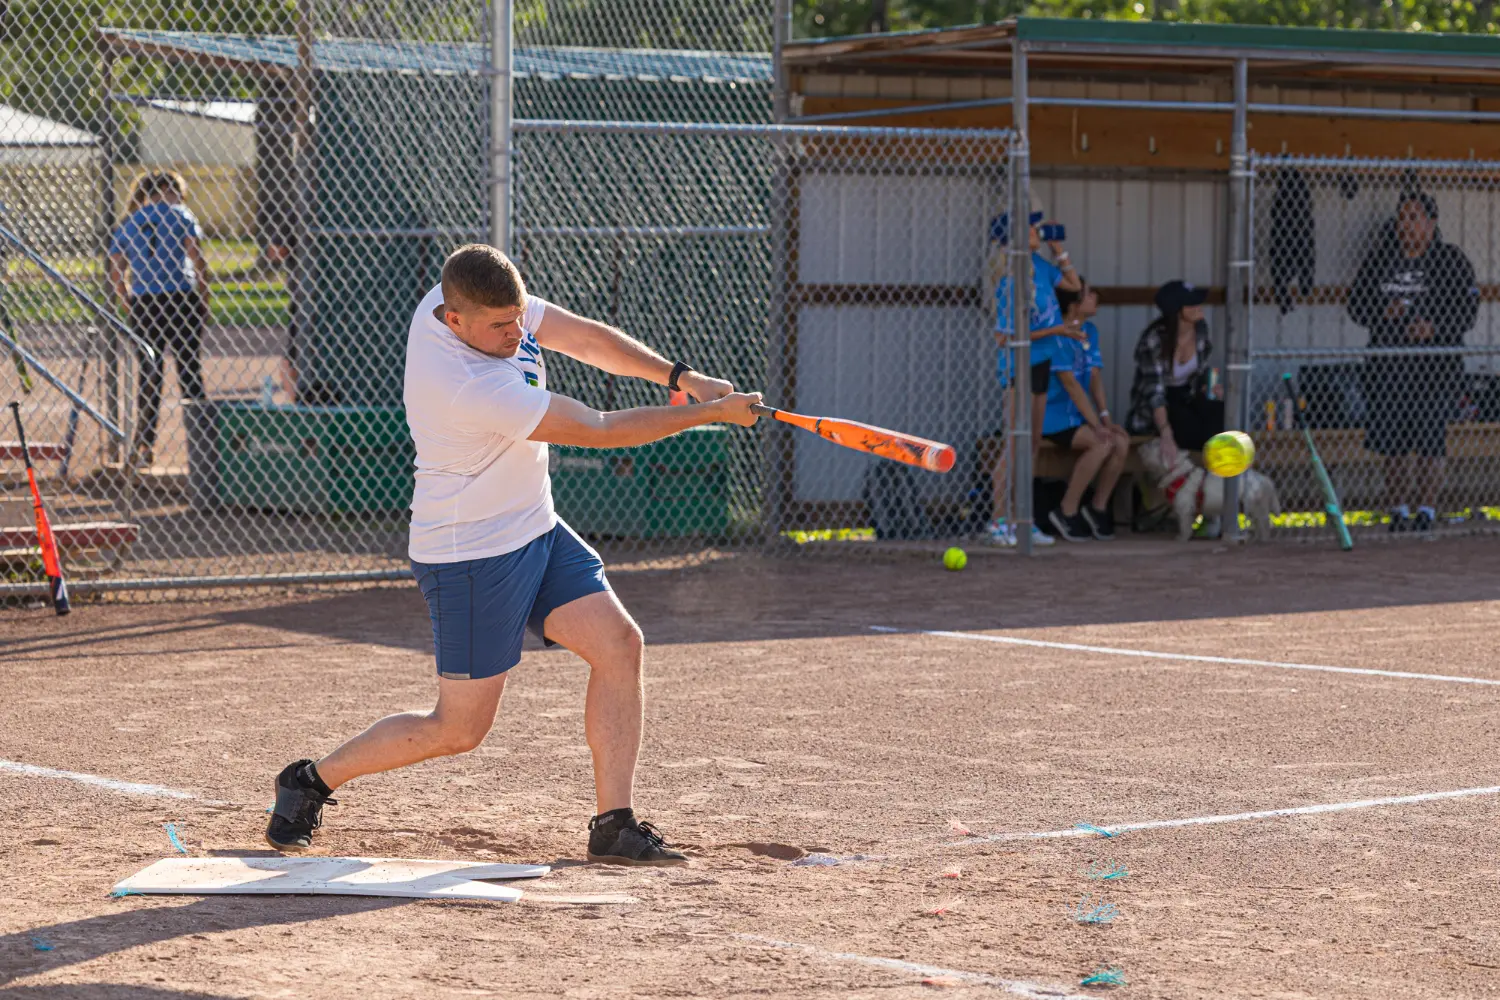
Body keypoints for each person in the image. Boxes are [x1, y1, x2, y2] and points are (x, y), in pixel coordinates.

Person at [265, 244, 761, 866]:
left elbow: (582, 339)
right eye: (499, 326)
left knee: (619, 644)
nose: (513, 334)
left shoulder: (482, 305)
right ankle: (312, 780)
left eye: (518, 320)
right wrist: (708, 414)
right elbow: (601, 429)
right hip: (470, 553)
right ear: (453, 320)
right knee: (459, 729)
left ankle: (613, 823)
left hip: (535, 526)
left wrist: (679, 378)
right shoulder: (469, 386)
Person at [1348, 192, 1479, 534]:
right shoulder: (1380, 260)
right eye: (1401, 217)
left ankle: (1427, 510)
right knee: (1393, 443)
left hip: (1435, 370)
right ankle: (1398, 509)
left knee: (1430, 440)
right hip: (1388, 369)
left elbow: (1468, 312)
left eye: (1413, 218)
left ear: (1431, 223)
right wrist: (1383, 313)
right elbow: (1356, 307)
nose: (1404, 225)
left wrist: (1434, 327)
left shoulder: (1450, 260)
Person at [985, 203, 1082, 547]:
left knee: (1032, 444)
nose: (1036, 233)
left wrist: (1060, 251)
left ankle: (1021, 518)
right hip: (1018, 365)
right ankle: (999, 520)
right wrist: (1059, 329)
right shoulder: (1010, 280)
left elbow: (1072, 284)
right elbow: (1003, 337)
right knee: (1014, 441)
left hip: (1041, 362)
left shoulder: (1039, 267)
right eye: (1030, 229)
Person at [108, 170, 209, 467]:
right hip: (180, 297)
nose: (179, 197)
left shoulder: (131, 222)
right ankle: (202, 449)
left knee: (150, 373)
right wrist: (205, 295)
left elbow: (116, 267)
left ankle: (144, 446)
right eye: (176, 191)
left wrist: (126, 299)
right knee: (189, 368)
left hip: (144, 301)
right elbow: (196, 255)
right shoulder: (181, 214)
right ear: (166, 189)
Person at [1034, 280, 1126, 541]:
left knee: (1121, 441)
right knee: (1101, 444)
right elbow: (1072, 386)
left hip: (1079, 416)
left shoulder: (1090, 331)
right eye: (1087, 294)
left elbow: (1094, 377)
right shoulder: (1057, 335)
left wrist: (1105, 417)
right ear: (1072, 304)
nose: (1094, 297)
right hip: (1053, 417)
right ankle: (1067, 510)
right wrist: (1096, 425)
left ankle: (1097, 508)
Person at [1126, 280, 1223, 468]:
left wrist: (1211, 389)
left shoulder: (1200, 329)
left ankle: (1220, 480)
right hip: (1159, 405)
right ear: (1177, 310)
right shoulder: (1154, 340)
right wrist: (1165, 432)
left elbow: (1200, 373)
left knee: (1220, 415)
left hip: (1188, 395)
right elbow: (1155, 393)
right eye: (1192, 303)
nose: (1199, 307)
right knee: (1186, 427)